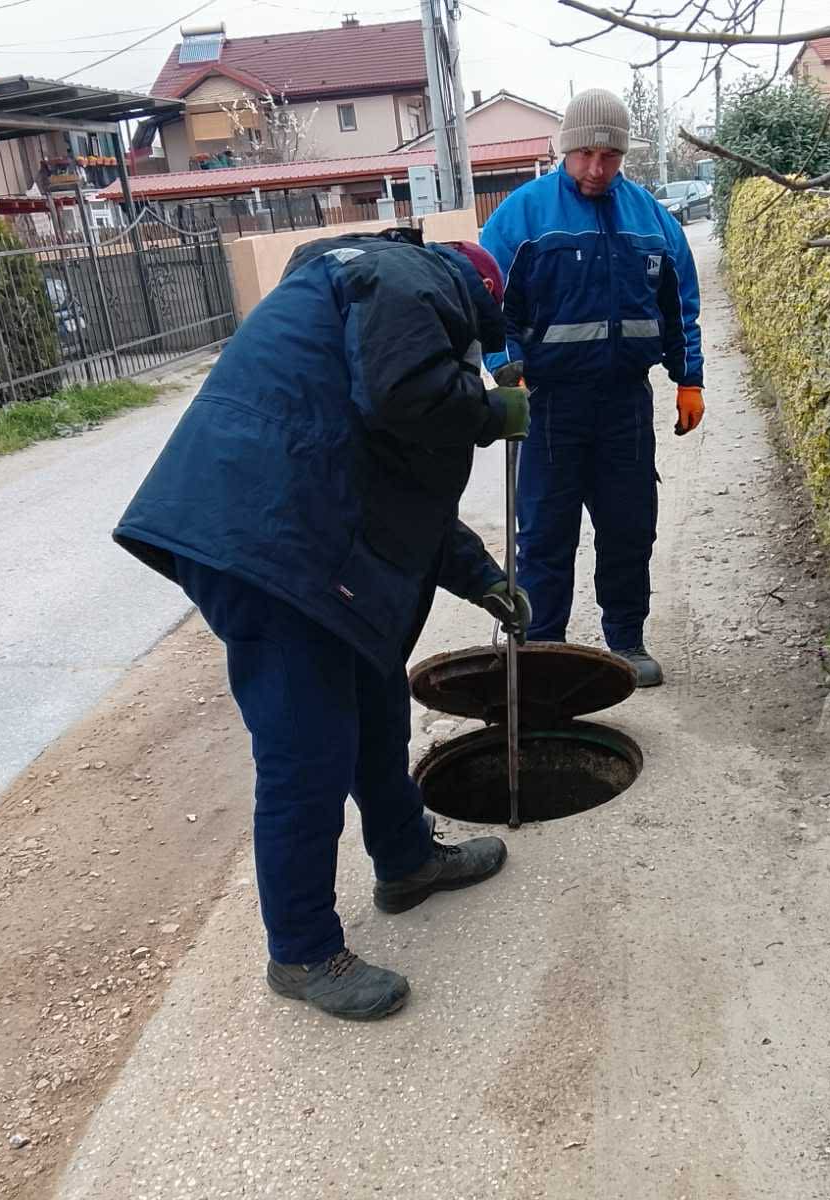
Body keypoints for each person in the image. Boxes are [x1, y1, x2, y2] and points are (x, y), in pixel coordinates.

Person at [113, 229, 531, 1022]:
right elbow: (408, 398)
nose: (474, 363)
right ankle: (302, 951)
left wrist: (481, 576)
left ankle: (405, 862)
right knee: (306, 750)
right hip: (263, 542)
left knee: (376, 696)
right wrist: (486, 410)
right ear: (476, 295)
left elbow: (397, 479)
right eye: (479, 346)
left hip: (299, 524)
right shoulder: (410, 278)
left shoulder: (367, 298)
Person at [481, 87, 705, 688]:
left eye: (610, 156)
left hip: (624, 401)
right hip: (548, 404)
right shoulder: (524, 215)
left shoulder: (650, 219)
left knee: (629, 528)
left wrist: (689, 378)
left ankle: (626, 641)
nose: (597, 168)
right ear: (566, 149)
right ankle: (542, 650)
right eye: (585, 154)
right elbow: (488, 303)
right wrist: (508, 368)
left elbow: (680, 305)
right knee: (546, 534)